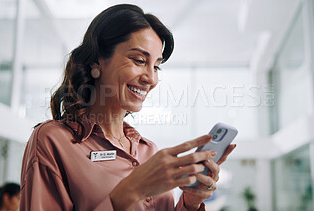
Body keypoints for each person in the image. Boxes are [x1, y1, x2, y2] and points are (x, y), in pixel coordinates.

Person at [20, 4, 236, 211]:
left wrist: (190, 203)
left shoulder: (148, 151)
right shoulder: (52, 141)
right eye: (139, 60)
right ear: (96, 61)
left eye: (157, 66)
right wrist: (132, 190)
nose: (151, 78)